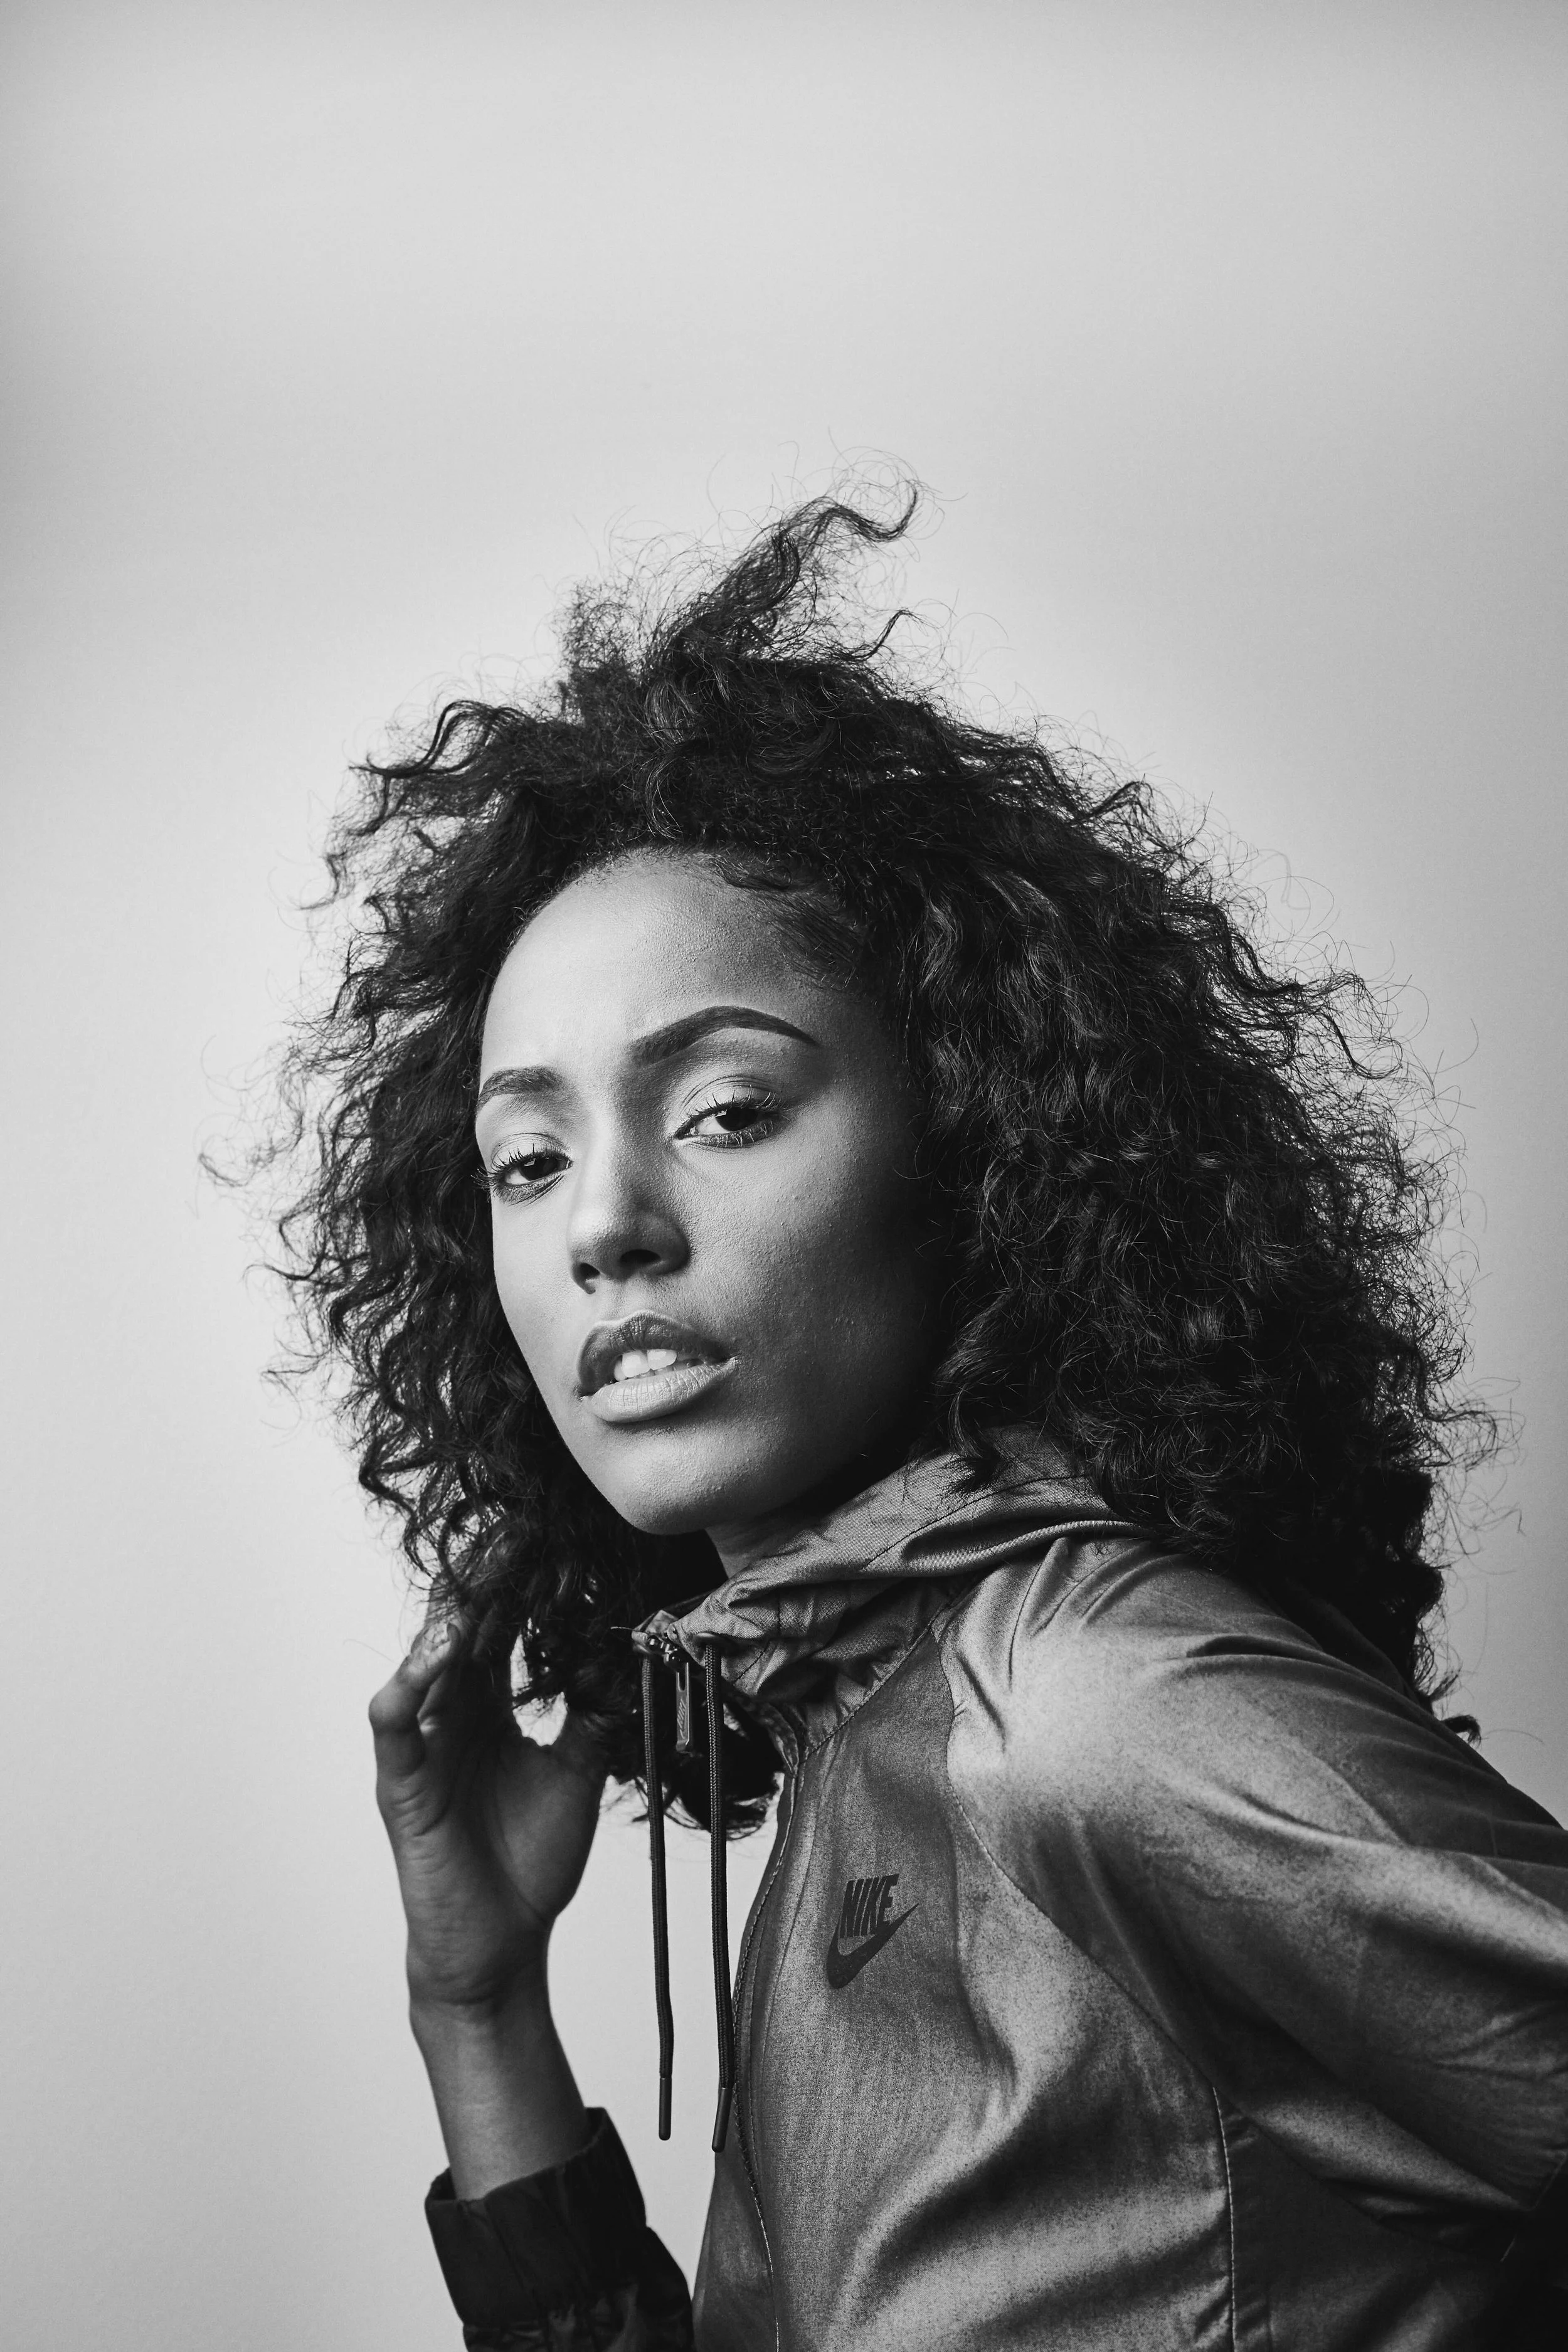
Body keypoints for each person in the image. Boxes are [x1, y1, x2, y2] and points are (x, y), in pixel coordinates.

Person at [278, 494, 1568, 2348]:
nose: (604, 1224)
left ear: (972, 1144)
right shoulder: (857, 1739)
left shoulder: (1090, 1715)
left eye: (723, 1110)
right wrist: (474, 2004)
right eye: (526, 1155)